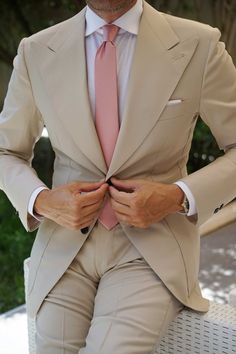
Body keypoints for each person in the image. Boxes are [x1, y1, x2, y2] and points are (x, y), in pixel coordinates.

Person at [0, 0, 236, 353]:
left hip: (152, 246)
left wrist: (177, 195)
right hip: (66, 247)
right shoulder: (35, 51)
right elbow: (6, 151)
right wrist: (44, 201)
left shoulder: (199, 44)